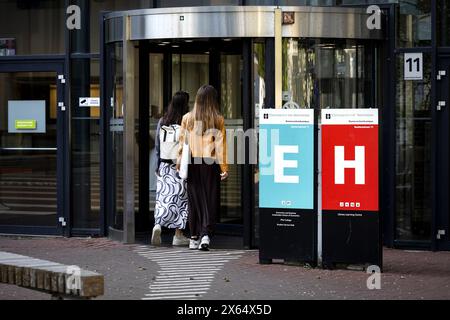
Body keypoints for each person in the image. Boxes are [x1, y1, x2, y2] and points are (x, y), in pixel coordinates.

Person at [177, 85, 228, 251]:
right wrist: (224, 167)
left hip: (192, 163)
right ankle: (205, 234)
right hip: (209, 163)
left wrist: (179, 164)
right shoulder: (218, 119)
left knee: (194, 200)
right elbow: (221, 146)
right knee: (210, 200)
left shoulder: (187, 118)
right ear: (213, 100)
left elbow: (181, 145)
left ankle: (193, 237)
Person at [152, 91, 191, 246]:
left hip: (164, 164)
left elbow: (157, 145)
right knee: (180, 200)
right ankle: (178, 235)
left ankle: (157, 225)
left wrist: (157, 165)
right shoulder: (185, 121)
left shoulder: (163, 121)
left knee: (163, 198)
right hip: (179, 165)